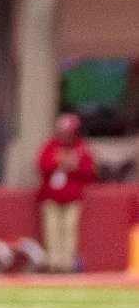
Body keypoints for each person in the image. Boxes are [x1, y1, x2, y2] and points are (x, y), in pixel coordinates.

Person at [36, 113, 96, 273]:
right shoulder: (50, 145)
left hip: (72, 196)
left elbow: (90, 171)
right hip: (51, 196)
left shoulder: (81, 147)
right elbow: (42, 165)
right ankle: (53, 263)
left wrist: (74, 166)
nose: (64, 135)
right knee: (52, 230)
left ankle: (67, 265)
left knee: (69, 230)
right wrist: (58, 162)